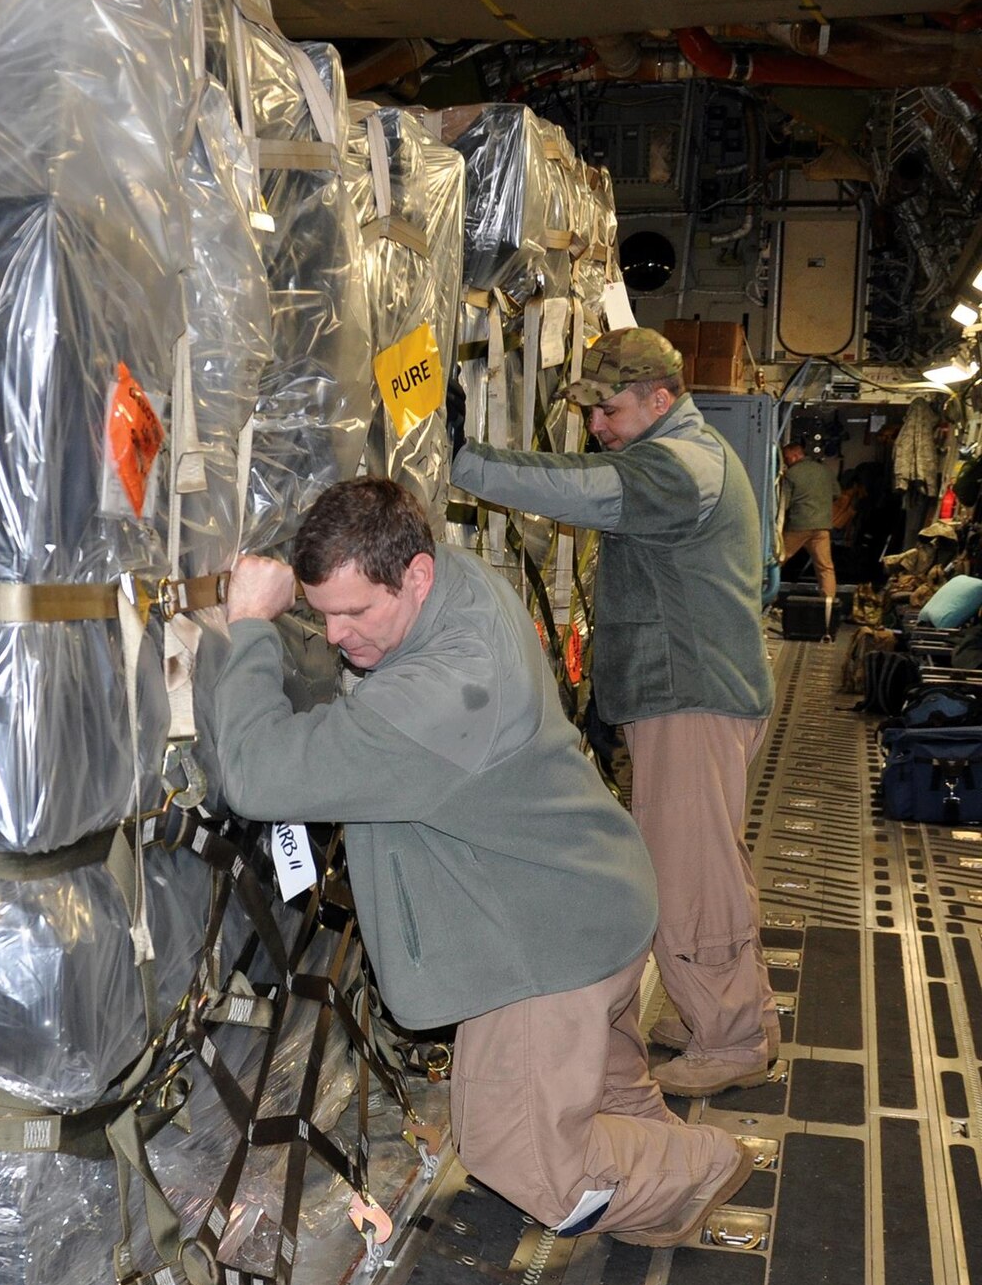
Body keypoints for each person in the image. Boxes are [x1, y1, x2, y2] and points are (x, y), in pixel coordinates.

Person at [196, 477, 751, 1246]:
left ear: (415, 575)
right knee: (606, 1102)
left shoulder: (445, 692)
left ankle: (705, 1164)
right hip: (593, 896)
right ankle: (662, 1196)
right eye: (321, 614)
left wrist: (253, 627)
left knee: (519, 1154)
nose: (335, 635)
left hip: (547, 950)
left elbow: (258, 776)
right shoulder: (452, 578)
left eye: (355, 613)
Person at [449, 328, 778, 1098]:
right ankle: (735, 1014)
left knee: (690, 876)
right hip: (690, 696)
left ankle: (730, 1038)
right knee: (708, 863)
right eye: (590, 412)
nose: (597, 426)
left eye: (610, 410)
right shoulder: (685, 457)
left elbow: (583, 489)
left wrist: (466, 461)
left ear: (660, 399)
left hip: (691, 700)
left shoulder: (678, 467)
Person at [779, 440, 841, 603]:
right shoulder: (824, 470)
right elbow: (836, 493)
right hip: (822, 525)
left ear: (795, 455)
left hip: (798, 525)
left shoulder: (791, 474)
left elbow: (784, 504)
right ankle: (828, 603)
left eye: (786, 458)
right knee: (825, 567)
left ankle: (762, 595)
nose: (785, 461)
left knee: (776, 560)